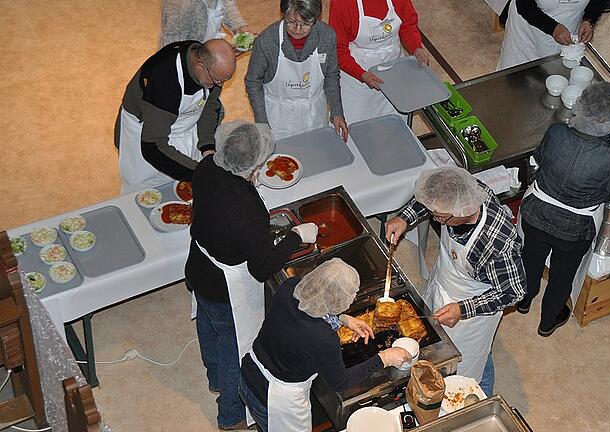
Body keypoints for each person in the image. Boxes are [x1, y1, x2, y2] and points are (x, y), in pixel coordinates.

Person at [185, 120, 319, 430]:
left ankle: (214, 379)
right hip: (224, 287)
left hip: (198, 267)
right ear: (253, 168)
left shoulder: (205, 168)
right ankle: (230, 415)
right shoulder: (249, 208)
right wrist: (296, 236)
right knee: (234, 349)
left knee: (207, 326)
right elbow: (261, 267)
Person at [516, 82, 610, 337]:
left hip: (535, 214)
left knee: (531, 259)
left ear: (581, 106)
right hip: (573, 231)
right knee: (561, 277)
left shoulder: (556, 132)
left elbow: (540, 156)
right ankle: (548, 322)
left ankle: (524, 300)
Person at [385, 167, 526, 396]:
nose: (434, 218)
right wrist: (404, 218)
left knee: (466, 369)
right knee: (436, 342)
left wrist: (463, 309)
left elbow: (514, 291)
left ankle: (479, 400)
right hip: (445, 281)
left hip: (472, 309)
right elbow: (433, 197)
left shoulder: (497, 242)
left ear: (463, 211)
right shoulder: (461, 190)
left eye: (439, 217)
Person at [239, 258, 410, 431]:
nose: (351, 300)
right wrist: (384, 358)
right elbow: (341, 382)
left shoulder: (290, 287)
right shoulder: (323, 338)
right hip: (274, 399)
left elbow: (308, 309)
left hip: (248, 373)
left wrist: (342, 319)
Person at [115, 39, 236, 193]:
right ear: (200, 66)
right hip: (147, 133)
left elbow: (209, 105)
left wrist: (207, 147)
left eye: (225, 80)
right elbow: (153, 146)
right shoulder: (164, 81)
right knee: (145, 190)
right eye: (217, 80)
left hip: (181, 123)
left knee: (184, 187)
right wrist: (200, 172)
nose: (219, 84)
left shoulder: (209, 65)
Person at [245, 0, 348, 141]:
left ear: (316, 18)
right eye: (291, 22)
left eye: (306, 23)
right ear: (283, 15)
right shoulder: (267, 41)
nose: (298, 29)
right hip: (278, 117)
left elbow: (331, 75)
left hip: (314, 112)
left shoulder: (326, 36)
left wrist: (337, 111)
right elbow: (253, 82)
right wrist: (262, 122)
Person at [329, 0, 430, 125]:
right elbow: (338, 50)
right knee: (355, 127)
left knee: (396, 125)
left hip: (394, 68)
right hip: (357, 75)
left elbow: (408, 26)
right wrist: (361, 74)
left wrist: (416, 48)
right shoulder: (342, 4)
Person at [497, 0, 606, 70]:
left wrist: (589, 20)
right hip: (527, 33)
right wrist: (553, 28)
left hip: (569, 27)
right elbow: (524, 5)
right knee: (516, 81)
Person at [160, 0, 251, 48]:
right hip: (186, 52)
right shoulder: (179, 4)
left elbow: (226, 4)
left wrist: (240, 27)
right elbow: (172, 43)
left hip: (207, 45)